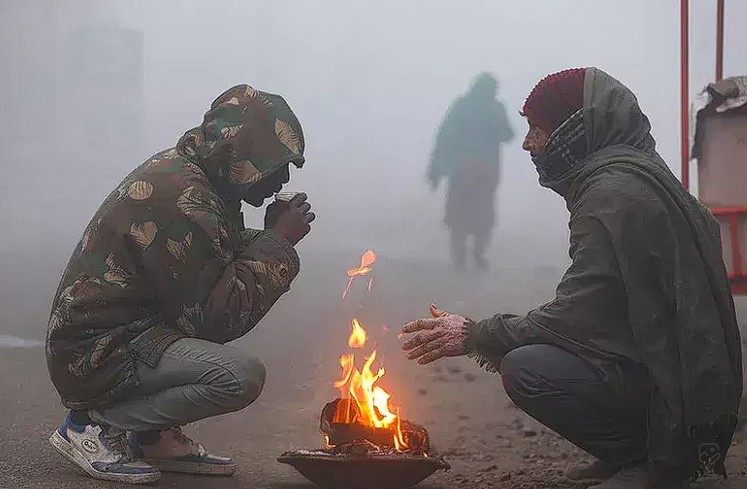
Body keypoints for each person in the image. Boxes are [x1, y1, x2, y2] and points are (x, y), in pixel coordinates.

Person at [401, 68, 743, 489]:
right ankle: (636, 450)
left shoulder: (610, 196)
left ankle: (654, 460)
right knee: (474, 220)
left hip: (674, 392)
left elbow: (577, 315)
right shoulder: (636, 174)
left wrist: (475, 334)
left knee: (525, 368)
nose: (528, 143)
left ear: (574, 131)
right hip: (686, 379)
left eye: (538, 130)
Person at [46, 84, 315, 484]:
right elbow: (217, 318)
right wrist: (277, 240)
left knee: (216, 356)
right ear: (244, 156)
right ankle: (94, 425)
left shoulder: (199, 180)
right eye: (277, 163)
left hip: (124, 335)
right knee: (239, 377)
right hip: (99, 353)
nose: (285, 177)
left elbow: (213, 260)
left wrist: (271, 239)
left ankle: (152, 437)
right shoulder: (184, 197)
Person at [427, 72, 514, 271]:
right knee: (484, 213)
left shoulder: (462, 106)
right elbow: (508, 135)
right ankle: (478, 252)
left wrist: (435, 168)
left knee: (457, 212)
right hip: (486, 172)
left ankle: (459, 257)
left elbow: (444, 136)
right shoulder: (496, 108)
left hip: (461, 170)